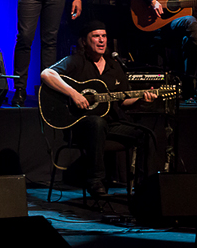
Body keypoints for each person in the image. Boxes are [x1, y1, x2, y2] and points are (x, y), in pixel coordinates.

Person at [41, 21, 157, 196]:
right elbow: (46, 74)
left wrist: (142, 99)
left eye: (104, 36)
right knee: (96, 122)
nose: (101, 40)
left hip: (111, 124)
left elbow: (123, 99)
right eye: (96, 36)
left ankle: (144, 186)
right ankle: (95, 181)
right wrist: (73, 93)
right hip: (80, 127)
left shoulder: (114, 66)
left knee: (145, 134)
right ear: (85, 41)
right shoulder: (76, 61)